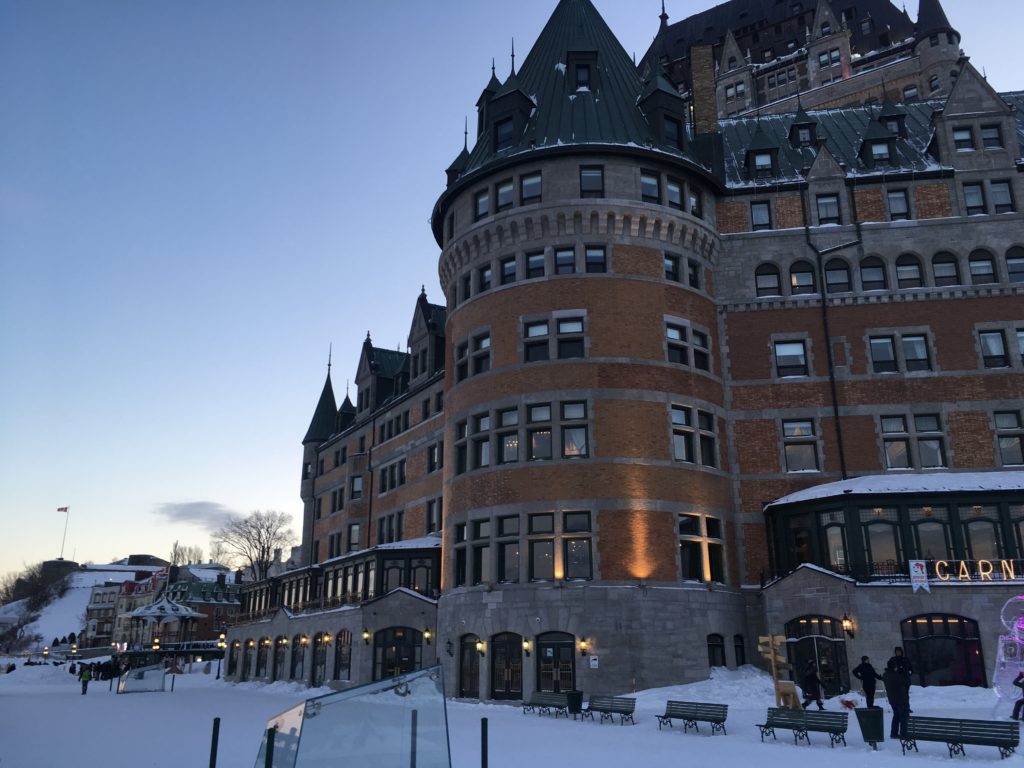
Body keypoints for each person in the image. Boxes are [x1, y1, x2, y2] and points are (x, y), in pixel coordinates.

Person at [884, 658, 911, 739]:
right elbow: (906, 682)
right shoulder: (896, 676)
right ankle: (904, 734)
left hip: (892, 699)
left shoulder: (886, 675)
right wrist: (905, 672)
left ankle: (894, 733)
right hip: (901, 699)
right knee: (904, 717)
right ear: (894, 667)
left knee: (896, 716)